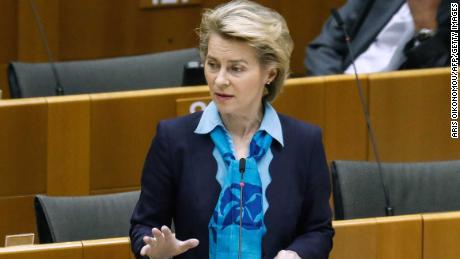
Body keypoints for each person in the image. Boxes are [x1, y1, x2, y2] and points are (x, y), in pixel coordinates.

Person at [130, 1, 334, 258]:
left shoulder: (304, 143)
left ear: (269, 73)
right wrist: (154, 250)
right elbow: (143, 225)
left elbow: (318, 231)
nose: (220, 79)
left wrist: (296, 254)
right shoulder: (173, 139)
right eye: (213, 64)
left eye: (236, 68)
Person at [305, 0, 450, 76]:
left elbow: (447, 85)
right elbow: (323, 46)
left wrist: (425, 25)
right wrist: (337, 90)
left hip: (397, 105)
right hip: (340, 86)